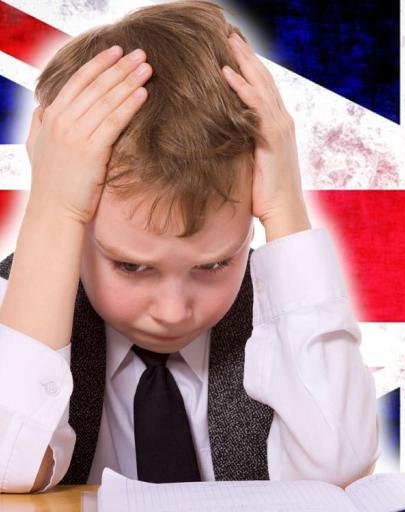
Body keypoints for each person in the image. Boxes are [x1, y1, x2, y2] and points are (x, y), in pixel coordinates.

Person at [0, 0, 379, 493]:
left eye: (214, 264)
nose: (173, 310)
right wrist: (52, 209)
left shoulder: (273, 326)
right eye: (132, 266)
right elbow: (9, 464)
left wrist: (286, 208)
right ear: (75, 227)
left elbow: (337, 467)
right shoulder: (16, 309)